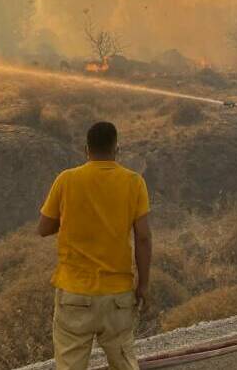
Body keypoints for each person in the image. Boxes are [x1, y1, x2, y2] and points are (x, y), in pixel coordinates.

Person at [38, 122, 152, 370]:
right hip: (118, 295)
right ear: (116, 148)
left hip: (74, 294)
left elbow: (43, 228)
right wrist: (142, 285)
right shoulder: (134, 182)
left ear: (86, 149)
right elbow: (143, 238)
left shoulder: (66, 180)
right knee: (124, 362)